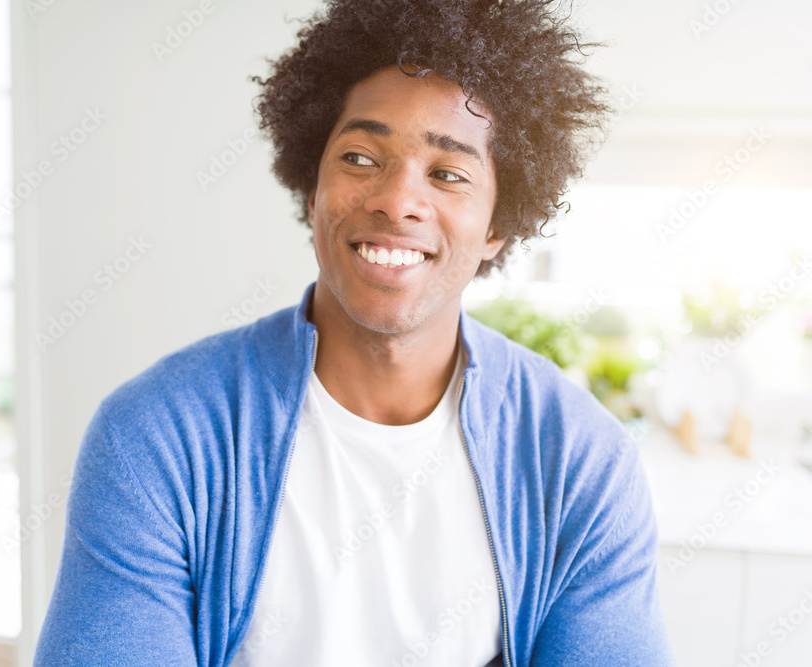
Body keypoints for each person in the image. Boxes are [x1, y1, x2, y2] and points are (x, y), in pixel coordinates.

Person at [34, 0, 676, 665]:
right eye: (362, 157)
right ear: (312, 189)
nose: (397, 200)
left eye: (448, 173)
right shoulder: (157, 439)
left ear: (497, 226)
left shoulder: (580, 461)